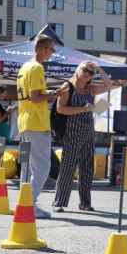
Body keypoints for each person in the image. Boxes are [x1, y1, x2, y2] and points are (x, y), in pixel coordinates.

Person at [16, 34, 69, 219]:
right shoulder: (38, 67)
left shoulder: (25, 67)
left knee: (27, 166)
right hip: (37, 122)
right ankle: (30, 204)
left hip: (24, 121)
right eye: (52, 50)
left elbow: (33, 94)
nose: (52, 54)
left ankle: (24, 203)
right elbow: (36, 97)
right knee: (42, 166)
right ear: (45, 49)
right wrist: (55, 94)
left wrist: (53, 92)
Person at [52, 61, 116, 212]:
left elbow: (109, 85)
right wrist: (83, 109)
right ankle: (59, 202)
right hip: (73, 130)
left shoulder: (90, 89)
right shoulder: (68, 86)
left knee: (88, 167)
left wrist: (98, 68)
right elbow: (61, 109)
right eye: (85, 70)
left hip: (88, 130)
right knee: (68, 166)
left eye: (91, 72)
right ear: (78, 70)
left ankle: (85, 202)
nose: (87, 73)